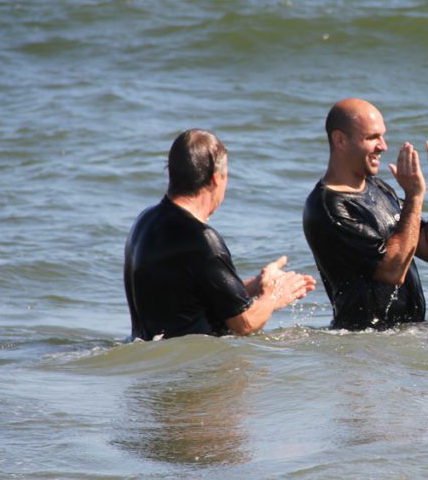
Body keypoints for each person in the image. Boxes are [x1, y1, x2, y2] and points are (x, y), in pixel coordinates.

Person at [124, 129, 316, 341]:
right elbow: (245, 324)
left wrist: (256, 285)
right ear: (216, 179)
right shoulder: (202, 240)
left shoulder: (144, 222)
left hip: (156, 365)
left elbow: (190, 295)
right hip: (191, 368)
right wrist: (274, 295)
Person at [303, 98, 428, 330]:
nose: (383, 146)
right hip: (362, 341)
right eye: (372, 138)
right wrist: (415, 197)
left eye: (382, 136)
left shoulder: (378, 187)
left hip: (400, 336)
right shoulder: (329, 207)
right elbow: (392, 270)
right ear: (340, 140)